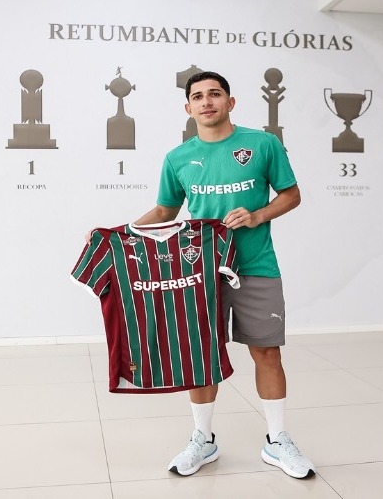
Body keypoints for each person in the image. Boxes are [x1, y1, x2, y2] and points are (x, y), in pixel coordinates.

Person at [134, 71, 315, 478]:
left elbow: (291, 195)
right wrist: (121, 233)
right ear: (188, 108)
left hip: (257, 266)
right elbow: (165, 211)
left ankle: (277, 440)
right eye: (198, 96)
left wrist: (258, 216)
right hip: (201, 272)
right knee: (201, 358)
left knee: (267, 352)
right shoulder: (178, 158)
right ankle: (203, 439)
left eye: (215, 94)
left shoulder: (263, 144)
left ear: (230, 102)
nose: (207, 101)